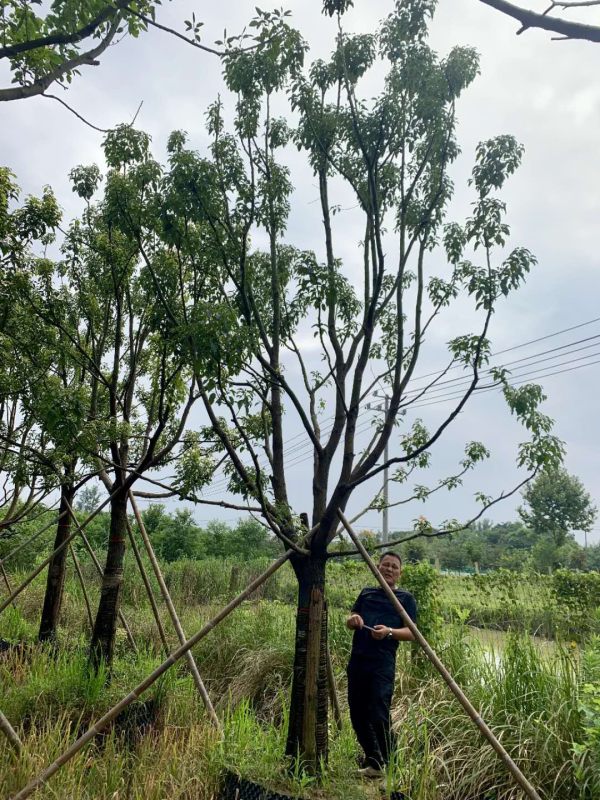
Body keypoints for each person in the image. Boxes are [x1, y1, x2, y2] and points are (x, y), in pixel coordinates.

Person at [346, 551, 417, 778]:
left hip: (382, 664)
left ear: (400, 573)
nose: (389, 569)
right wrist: (354, 620)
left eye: (394, 567)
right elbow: (351, 617)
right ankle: (374, 763)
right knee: (357, 713)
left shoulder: (405, 599)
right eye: (385, 565)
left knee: (378, 713)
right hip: (358, 659)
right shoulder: (366, 593)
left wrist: (388, 633)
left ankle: (393, 764)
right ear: (377, 568)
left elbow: (412, 633)